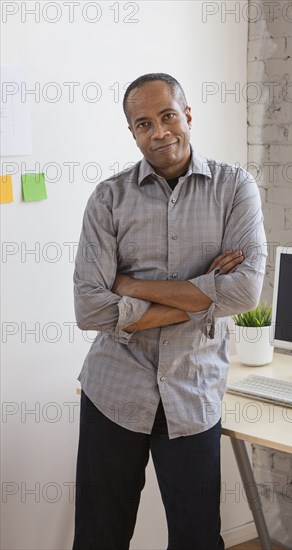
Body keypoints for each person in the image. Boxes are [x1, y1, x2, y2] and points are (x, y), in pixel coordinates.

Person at [72, 73, 267, 550]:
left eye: (167, 116)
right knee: (100, 537)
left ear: (188, 116)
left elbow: (244, 293)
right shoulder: (108, 198)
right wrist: (204, 298)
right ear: (133, 132)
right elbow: (89, 308)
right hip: (113, 391)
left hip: (193, 392)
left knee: (198, 538)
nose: (159, 132)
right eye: (143, 123)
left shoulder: (235, 188)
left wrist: (133, 286)